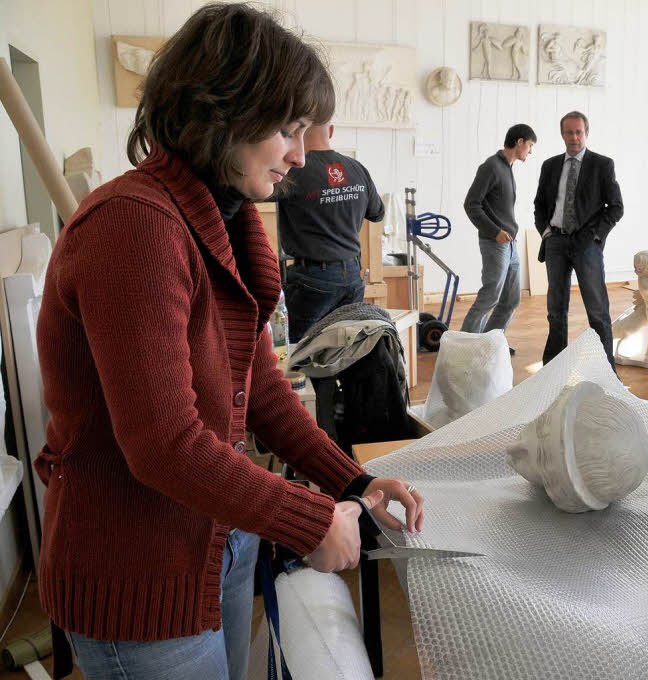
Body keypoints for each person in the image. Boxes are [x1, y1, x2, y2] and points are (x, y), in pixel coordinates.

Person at [33, 5, 424, 679]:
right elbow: (164, 444)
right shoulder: (134, 226)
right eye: (286, 130)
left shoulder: (220, 217)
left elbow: (261, 387)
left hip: (215, 539)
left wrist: (352, 478)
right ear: (221, 115)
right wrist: (308, 519)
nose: (301, 156)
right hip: (140, 576)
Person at [274, 122, 385, 343]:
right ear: (331, 131)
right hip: (353, 276)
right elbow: (377, 213)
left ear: (298, 133)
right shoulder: (357, 168)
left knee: (292, 349)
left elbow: (250, 193)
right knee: (342, 351)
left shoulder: (293, 172)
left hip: (313, 280)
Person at [534, 111, 624, 366]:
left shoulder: (602, 164)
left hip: (587, 245)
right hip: (556, 244)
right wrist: (547, 232)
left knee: (597, 311)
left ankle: (606, 370)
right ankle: (552, 370)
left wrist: (596, 236)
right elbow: (539, 205)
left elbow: (616, 207)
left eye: (578, 132)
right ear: (562, 134)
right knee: (555, 311)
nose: (574, 137)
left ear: (586, 133)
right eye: (569, 132)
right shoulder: (550, 166)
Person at [461, 123, 536, 350]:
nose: (530, 152)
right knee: (490, 295)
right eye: (530, 146)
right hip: (495, 243)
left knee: (512, 299)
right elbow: (471, 204)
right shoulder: (491, 167)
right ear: (520, 142)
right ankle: (464, 346)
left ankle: (490, 343)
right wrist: (495, 232)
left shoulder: (507, 168)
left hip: (510, 244)